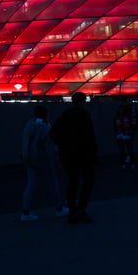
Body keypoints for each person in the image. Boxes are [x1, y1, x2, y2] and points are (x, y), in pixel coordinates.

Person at [50, 92, 98, 224]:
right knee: (88, 181)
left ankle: (72, 211)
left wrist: (63, 148)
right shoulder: (84, 115)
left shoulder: (66, 115)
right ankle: (81, 209)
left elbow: (53, 132)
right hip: (84, 155)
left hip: (70, 156)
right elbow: (90, 136)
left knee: (72, 183)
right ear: (83, 101)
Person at [19, 105, 68, 221]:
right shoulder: (46, 127)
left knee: (30, 184)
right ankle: (59, 208)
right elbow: (49, 146)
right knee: (53, 182)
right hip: (43, 159)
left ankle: (26, 211)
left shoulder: (29, 124)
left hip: (29, 158)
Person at [114, 102, 138, 169]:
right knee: (122, 150)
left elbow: (131, 125)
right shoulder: (118, 117)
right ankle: (124, 162)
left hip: (126, 134)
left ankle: (131, 162)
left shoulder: (124, 116)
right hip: (121, 135)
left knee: (129, 149)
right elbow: (115, 126)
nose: (120, 111)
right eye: (120, 109)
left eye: (121, 109)